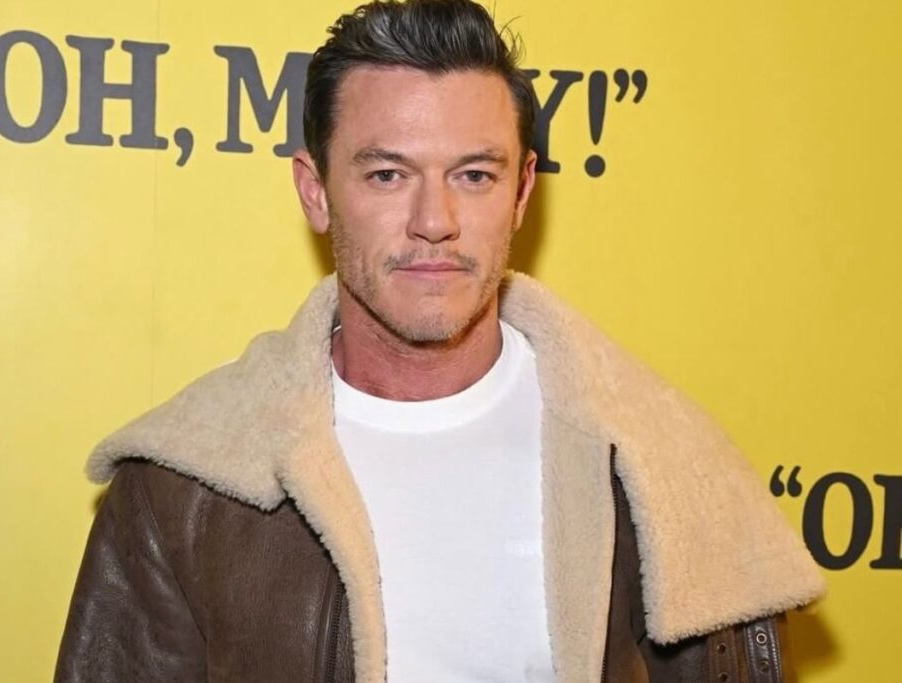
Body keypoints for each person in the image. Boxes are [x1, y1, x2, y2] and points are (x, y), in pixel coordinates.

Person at [54, 1, 825, 681]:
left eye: (475, 176)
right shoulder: (183, 488)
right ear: (316, 192)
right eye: (388, 175)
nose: (435, 221)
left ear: (521, 191)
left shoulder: (660, 468)